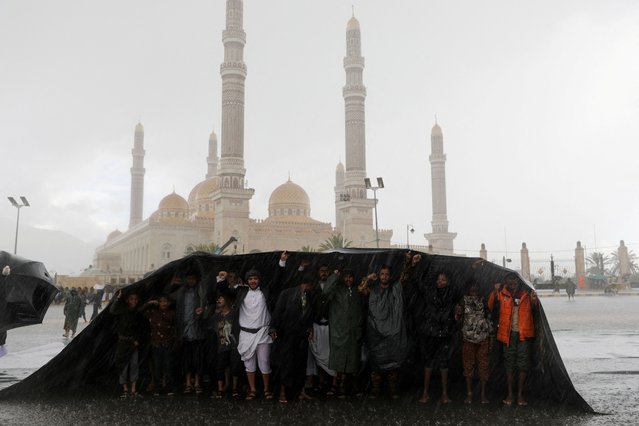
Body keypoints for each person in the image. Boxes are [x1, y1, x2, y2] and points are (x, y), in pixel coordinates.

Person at [359, 254, 420, 400]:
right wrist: (368, 278)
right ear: (379, 275)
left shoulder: (396, 288)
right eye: (382, 274)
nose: (384, 276)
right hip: (376, 335)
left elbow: (404, 275)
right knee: (376, 365)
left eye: (387, 274)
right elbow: (360, 289)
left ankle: (392, 389)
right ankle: (375, 389)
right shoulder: (373, 290)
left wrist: (408, 262)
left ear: (390, 276)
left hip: (393, 334)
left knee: (393, 364)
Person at [231, 251, 289, 401]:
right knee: (249, 364)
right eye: (250, 279)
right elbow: (224, 291)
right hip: (245, 334)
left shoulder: (266, 291)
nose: (253, 281)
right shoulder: (241, 292)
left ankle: (267, 390)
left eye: (255, 278)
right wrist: (221, 279)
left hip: (263, 333)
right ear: (247, 281)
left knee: (264, 362)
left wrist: (281, 262)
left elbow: (277, 280)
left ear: (259, 280)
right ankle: (252, 390)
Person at [488, 272, 539, 406]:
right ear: (506, 282)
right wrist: (495, 291)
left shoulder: (527, 294)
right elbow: (490, 306)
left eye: (515, 280)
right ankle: (510, 394)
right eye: (510, 280)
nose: (512, 283)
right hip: (507, 335)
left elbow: (535, 310)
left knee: (522, 365)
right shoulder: (501, 294)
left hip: (524, 335)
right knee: (509, 365)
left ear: (520, 281)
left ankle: (520, 394)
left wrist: (534, 300)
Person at [415, 269, 461, 404]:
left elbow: (461, 285)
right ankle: (425, 393)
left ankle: (444, 394)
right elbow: (418, 283)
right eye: (438, 279)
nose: (440, 282)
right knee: (428, 362)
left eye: (443, 280)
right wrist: (414, 266)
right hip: (430, 332)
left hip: (444, 333)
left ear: (448, 282)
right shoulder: (429, 291)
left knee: (444, 363)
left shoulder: (452, 293)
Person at [270, 274, 318, 403]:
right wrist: (273, 328)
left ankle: (300, 391)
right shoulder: (287, 293)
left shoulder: (309, 296)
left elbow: (310, 314)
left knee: (301, 363)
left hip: (301, 336)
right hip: (287, 334)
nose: (311, 288)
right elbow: (278, 311)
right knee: (285, 364)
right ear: (306, 284)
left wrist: (309, 327)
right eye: (311, 286)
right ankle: (282, 393)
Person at [323, 268, 364, 398]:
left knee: (354, 361)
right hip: (339, 332)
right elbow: (325, 292)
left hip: (353, 332)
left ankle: (353, 387)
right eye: (346, 277)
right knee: (339, 362)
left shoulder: (358, 291)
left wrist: (359, 328)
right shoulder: (336, 290)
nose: (348, 279)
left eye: (350, 277)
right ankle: (339, 387)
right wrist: (334, 276)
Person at [457, 281, 492, 404]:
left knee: (483, 367)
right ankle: (469, 393)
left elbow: (489, 320)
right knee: (468, 366)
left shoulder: (484, 301)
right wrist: (457, 312)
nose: (474, 290)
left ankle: (483, 395)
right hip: (468, 339)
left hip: (483, 339)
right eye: (472, 288)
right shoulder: (463, 301)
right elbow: (458, 318)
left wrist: (490, 339)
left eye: (476, 288)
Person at [305, 264, 337, 396]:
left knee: (331, 355)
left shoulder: (334, 286)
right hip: (316, 325)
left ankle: (334, 384)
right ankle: (321, 382)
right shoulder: (313, 287)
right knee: (317, 354)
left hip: (330, 326)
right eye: (321, 271)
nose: (324, 273)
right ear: (318, 272)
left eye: (326, 271)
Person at [174, 269, 208, 394]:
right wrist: (173, 283)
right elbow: (169, 297)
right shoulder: (181, 292)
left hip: (198, 332)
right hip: (184, 332)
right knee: (186, 359)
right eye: (189, 278)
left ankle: (198, 383)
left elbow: (207, 305)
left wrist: (203, 310)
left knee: (198, 359)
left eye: (193, 278)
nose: (191, 281)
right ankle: (188, 383)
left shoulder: (201, 291)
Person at [110, 290, 146, 398]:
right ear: (127, 301)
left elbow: (141, 328)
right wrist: (118, 298)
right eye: (131, 299)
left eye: (135, 299)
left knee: (134, 365)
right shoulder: (122, 311)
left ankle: (133, 389)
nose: (134, 301)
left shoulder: (138, 313)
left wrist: (137, 340)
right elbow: (112, 310)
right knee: (123, 366)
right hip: (123, 343)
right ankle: (125, 389)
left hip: (133, 343)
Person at [139, 294, 177, 396]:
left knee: (168, 366)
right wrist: (150, 303)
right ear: (158, 303)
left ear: (168, 303)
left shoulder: (172, 313)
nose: (163, 303)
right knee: (157, 367)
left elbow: (175, 328)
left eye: (165, 301)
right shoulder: (153, 313)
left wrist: (172, 340)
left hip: (167, 343)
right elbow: (140, 311)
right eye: (161, 301)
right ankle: (158, 388)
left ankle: (169, 388)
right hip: (156, 344)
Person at [208, 291, 242, 399]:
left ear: (226, 300)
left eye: (221, 298)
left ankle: (234, 388)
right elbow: (207, 323)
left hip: (234, 345)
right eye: (218, 299)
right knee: (221, 367)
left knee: (235, 366)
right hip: (221, 345)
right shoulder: (216, 317)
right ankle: (220, 389)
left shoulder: (235, 314)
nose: (218, 300)